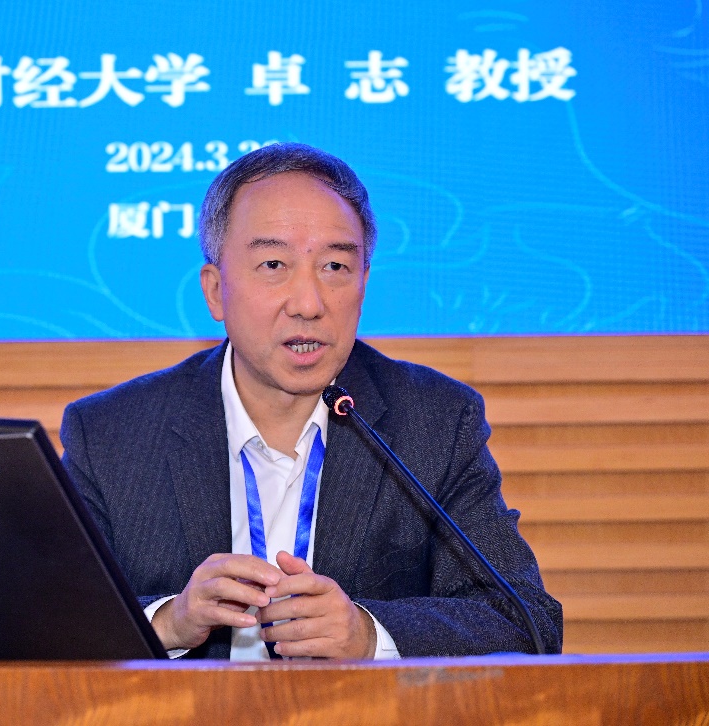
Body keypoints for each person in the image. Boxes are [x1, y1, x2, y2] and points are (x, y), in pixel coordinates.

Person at [61, 143, 562, 660]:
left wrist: (369, 635)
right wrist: (168, 622)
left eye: (335, 266)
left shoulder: (434, 421)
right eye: (273, 263)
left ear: (364, 283)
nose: (308, 304)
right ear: (214, 290)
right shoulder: (110, 434)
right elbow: (48, 619)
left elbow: (525, 621)